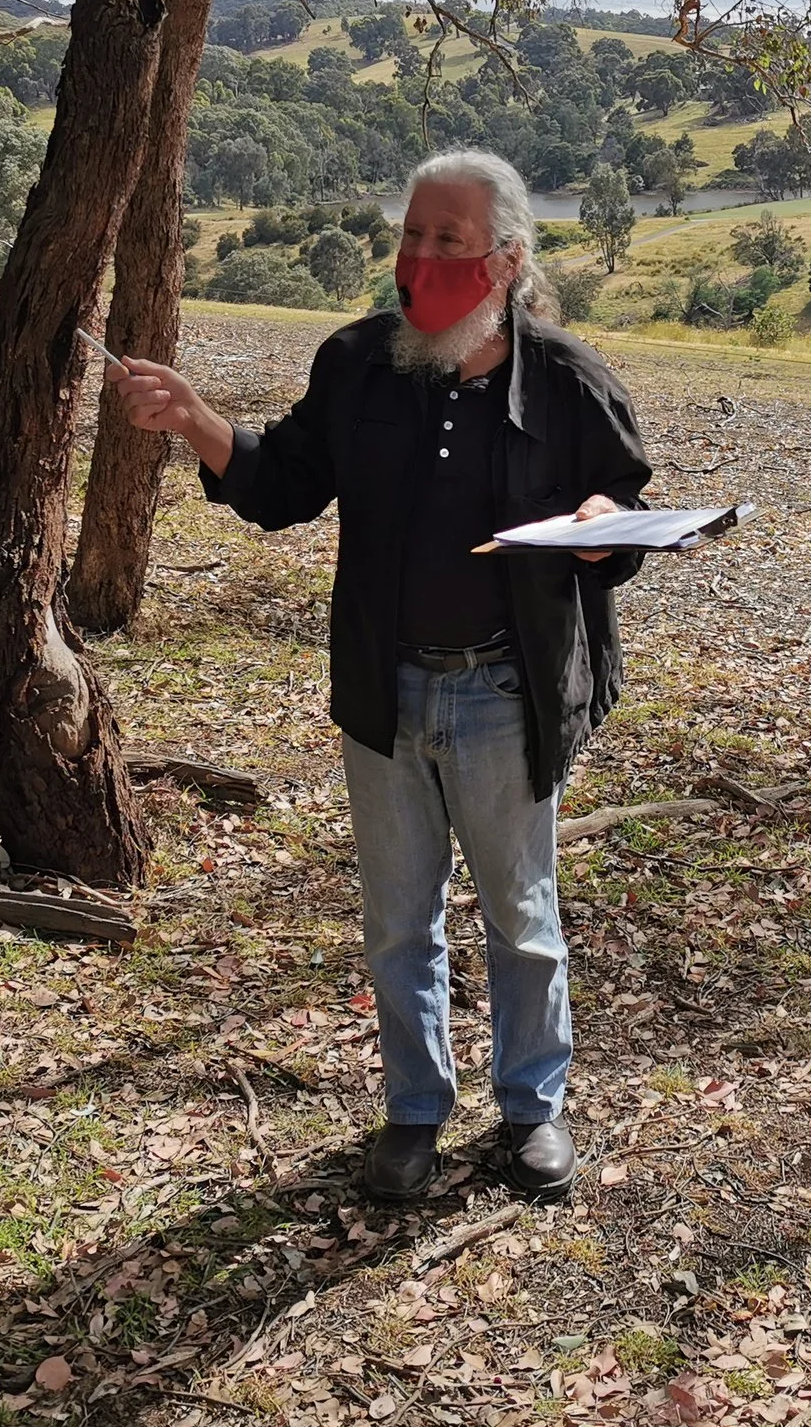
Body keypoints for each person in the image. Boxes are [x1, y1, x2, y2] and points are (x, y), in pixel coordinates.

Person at [111, 149, 652, 1202]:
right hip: (384, 690)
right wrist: (194, 420)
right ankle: (414, 1109)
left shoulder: (572, 383)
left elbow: (621, 518)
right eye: (412, 233)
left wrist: (599, 528)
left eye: (448, 239)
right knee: (400, 920)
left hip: (506, 694)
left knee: (520, 917)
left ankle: (532, 1109)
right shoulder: (359, 364)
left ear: (506, 259)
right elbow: (283, 486)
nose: (421, 256)